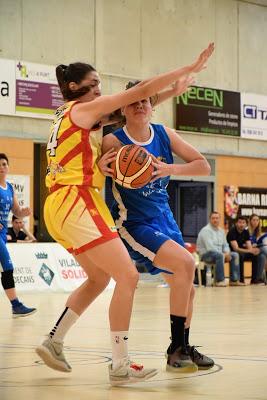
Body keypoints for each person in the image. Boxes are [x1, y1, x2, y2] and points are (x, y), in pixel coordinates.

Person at [35, 43, 215, 385]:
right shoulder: (81, 110)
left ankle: (54, 340)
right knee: (127, 277)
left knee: (100, 278)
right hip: (78, 201)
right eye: (97, 85)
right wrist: (185, 68)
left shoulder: (67, 114)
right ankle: (120, 363)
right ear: (76, 87)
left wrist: (166, 95)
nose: (103, 92)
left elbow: (135, 107)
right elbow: (139, 93)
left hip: (58, 204)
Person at [101, 78, 215, 372]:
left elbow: (203, 165)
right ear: (123, 108)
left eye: (145, 100)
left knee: (187, 287)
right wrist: (96, 164)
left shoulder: (164, 133)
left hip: (164, 218)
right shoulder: (114, 141)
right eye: (133, 101)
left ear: (152, 106)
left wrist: (170, 168)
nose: (140, 105)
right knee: (186, 264)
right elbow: (93, 168)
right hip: (133, 222)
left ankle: (183, 346)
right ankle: (176, 348)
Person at [0, 153, 37, 317]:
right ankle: (16, 305)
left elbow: (16, 211)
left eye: (4, 164)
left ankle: (16, 306)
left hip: (2, 233)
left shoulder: (9, 188)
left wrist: (24, 212)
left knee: (6, 268)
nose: (2, 167)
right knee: (7, 267)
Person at [197, 211, 243, 286]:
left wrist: (227, 253)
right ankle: (220, 281)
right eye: (213, 218)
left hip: (219, 254)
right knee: (220, 255)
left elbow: (225, 245)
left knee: (235, 255)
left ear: (219, 219)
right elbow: (210, 248)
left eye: (217, 218)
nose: (215, 220)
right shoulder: (205, 231)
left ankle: (234, 280)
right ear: (210, 219)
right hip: (205, 255)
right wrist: (224, 255)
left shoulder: (221, 231)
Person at [227, 216, 265, 285]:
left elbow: (249, 246)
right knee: (240, 255)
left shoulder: (245, 232)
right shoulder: (232, 231)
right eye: (240, 222)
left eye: (243, 223)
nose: (241, 224)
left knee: (256, 255)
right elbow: (236, 248)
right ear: (236, 223)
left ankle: (254, 280)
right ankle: (241, 280)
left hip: (244, 252)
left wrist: (254, 250)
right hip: (233, 252)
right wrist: (250, 251)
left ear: (246, 224)